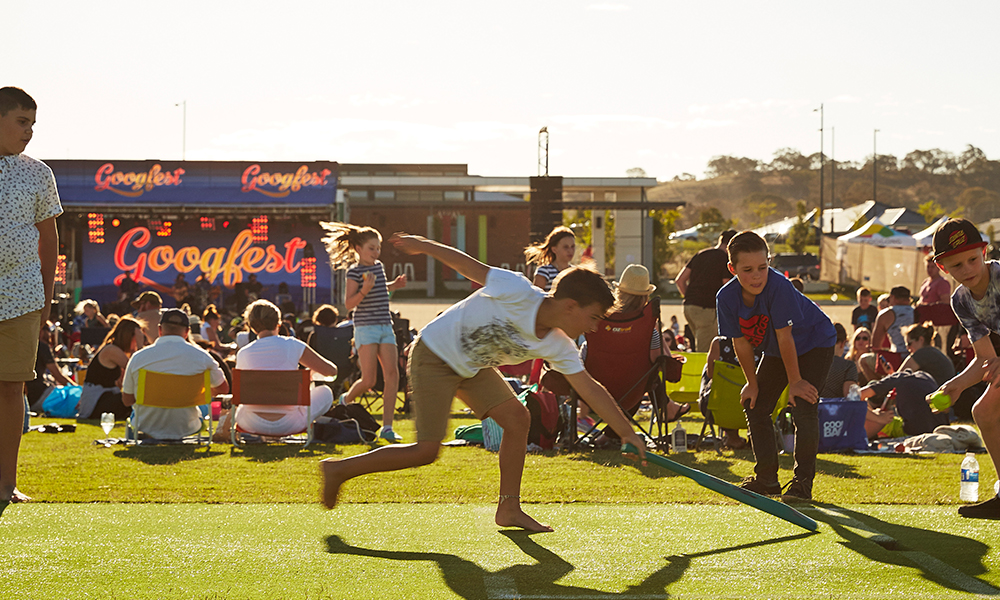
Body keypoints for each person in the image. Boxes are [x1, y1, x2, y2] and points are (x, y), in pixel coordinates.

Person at [321, 233, 647, 531]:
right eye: (593, 317)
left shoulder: (559, 345)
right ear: (570, 306)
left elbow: (589, 388)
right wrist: (423, 246)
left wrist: (627, 433)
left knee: (518, 419)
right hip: (434, 354)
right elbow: (468, 266)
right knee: (426, 451)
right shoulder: (517, 290)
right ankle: (338, 470)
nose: (594, 328)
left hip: (472, 367)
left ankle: (509, 509)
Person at [716, 231, 835, 501]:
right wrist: (752, 383)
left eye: (763, 267)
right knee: (755, 404)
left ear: (769, 262)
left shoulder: (779, 286)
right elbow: (741, 342)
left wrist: (796, 382)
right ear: (732, 269)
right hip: (778, 350)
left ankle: (802, 484)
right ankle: (767, 479)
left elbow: (785, 337)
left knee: (803, 404)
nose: (757, 276)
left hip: (814, 342)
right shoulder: (726, 297)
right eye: (747, 270)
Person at [0, 87, 62, 504]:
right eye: (22, 122)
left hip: (23, 299)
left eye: (33, 124)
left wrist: (46, 299)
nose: (30, 131)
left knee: (11, 391)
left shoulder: (38, 173)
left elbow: (50, 242)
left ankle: (6, 484)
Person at [925, 218, 1000, 518]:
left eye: (972, 259)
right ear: (943, 267)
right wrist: (955, 386)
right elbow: (985, 359)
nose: (968, 269)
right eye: (957, 265)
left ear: (984, 251)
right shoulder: (961, 300)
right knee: (983, 411)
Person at [583, 265, 690, 446]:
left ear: (619, 293)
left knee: (638, 379)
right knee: (646, 376)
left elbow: (585, 352)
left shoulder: (598, 321)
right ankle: (667, 407)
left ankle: (608, 436)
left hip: (593, 387)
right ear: (645, 298)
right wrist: (654, 327)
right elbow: (662, 361)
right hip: (632, 390)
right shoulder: (646, 330)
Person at [322, 222, 407, 443]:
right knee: (369, 380)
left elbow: (381, 288)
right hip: (365, 327)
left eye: (378, 248)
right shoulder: (354, 272)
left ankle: (387, 427)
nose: (376, 252)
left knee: (392, 374)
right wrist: (364, 290)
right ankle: (345, 400)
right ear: (358, 249)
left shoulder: (378, 267)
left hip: (385, 325)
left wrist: (394, 285)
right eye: (372, 248)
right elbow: (349, 304)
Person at [218, 300, 337, 439]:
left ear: (252, 327)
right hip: (289, 423)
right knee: (326, 392)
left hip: (251, 422)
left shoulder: (243, 353)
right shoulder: (294, 345)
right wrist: (311, 373)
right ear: (278, 324)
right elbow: (331, 371)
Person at [121, 309, 228, 439]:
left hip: (145, 425)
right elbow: (223, 389)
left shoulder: (138, 358)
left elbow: (127, 400)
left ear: (160, 330)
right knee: (203, 405)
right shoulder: (203, 357)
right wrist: (194, 393)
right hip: (187, 426)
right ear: (187, 332)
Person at [675, 229, 737, 352]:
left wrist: (690, 297)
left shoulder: (701, 254)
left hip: (689, 308)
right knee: (706, 351)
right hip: (707, 309)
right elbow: (726, 284)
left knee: (699, 344)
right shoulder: (725, 259)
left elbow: (680, 280)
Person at [77, 317, 145, 420]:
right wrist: (140, 346)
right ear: (129, 336)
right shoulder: (111, 350)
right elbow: (136, 369)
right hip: (96, 402)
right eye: (138, 337)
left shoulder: (115, 350)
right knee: (132, 400)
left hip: (103, 398)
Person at [698, 336, 752, 449]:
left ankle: (733, 438)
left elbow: (710, 374)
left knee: (708, 372)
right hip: (757, 409)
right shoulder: (766, 342)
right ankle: (754, 437)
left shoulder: (719, 343)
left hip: (719, 411)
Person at [860, 370, 947, 436]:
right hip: (941, 428)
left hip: (914, 431)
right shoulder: (924, 376)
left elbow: (856, 397)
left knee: (885, 420)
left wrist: (877, 417)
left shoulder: (892, 381)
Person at [25, 327, 73, 411]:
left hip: (24, 398)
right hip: (39, 395)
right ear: (42, 331)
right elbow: (58, 376)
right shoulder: (42, 347)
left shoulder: (22, 347)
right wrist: (76, 388)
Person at [898, 321, 955, 387]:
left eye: (909, 343)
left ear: (921, 340)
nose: (907, 348)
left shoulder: (922, 354)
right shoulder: (935, 352)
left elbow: (897, 379)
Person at [525, 226, 576, 291]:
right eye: (565, 247)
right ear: (554, 249)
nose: (570, 250)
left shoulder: (575, 272)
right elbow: (536, 295)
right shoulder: (545, 271)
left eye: (572, 246)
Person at [871, 286, 914, 354]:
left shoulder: (885, 314)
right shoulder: (917, 312)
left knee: (864, 358)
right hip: (916, 356)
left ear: (893, 297)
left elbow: (875, 346)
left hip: (896, 355)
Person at [821, 323, 858, 398]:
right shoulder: (848, 366)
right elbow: (849, 396)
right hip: (834, 404)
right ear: (843, 343)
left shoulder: (812, 363)